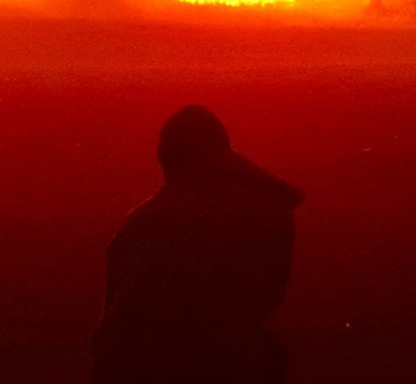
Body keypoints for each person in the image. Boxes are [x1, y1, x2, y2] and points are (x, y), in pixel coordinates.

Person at [93, 105, 304, 383]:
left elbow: (111, 311)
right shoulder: (271, 213)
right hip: (223, 363)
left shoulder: (140, 221)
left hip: (129, 366)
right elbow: (269, 298)